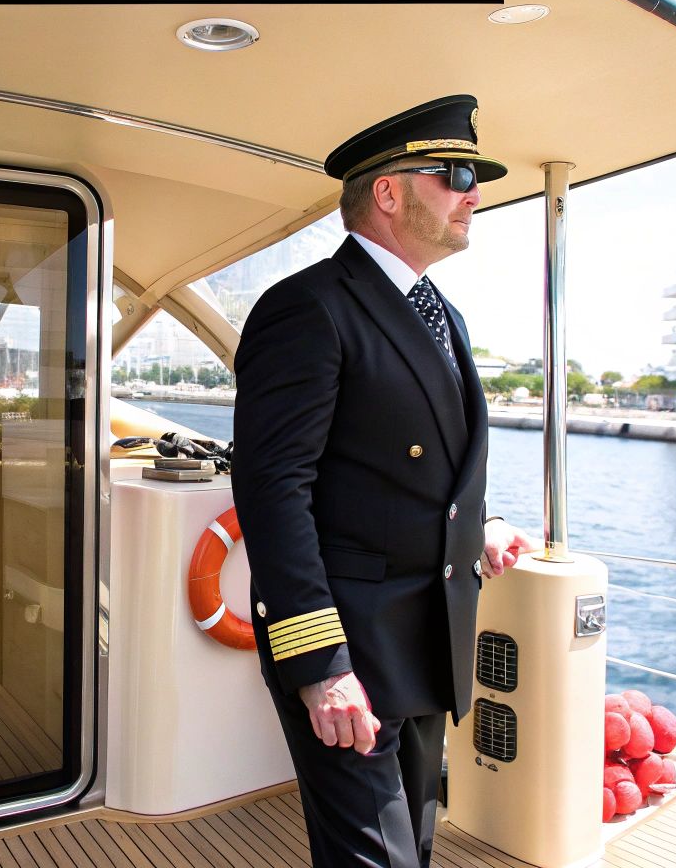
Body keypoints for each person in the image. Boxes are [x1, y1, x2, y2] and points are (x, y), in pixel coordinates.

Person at [233, 95, 538, 868]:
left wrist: (484, 523)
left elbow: (420, 461)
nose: (475, 193)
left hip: (427, 636)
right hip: (348, 646)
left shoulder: (443, 314)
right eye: (457, 174)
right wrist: (320, 668)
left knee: (418, 847)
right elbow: (273, 490)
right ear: (390, 193)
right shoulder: (307, 308)